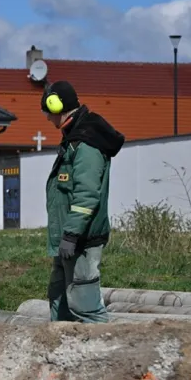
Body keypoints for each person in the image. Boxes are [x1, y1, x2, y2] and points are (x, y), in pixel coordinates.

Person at [41, 80, 125, 324]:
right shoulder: (73, 139)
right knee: (59, 299)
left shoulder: (86, 144)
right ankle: (60, 342)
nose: (47, 118)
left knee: (85, 307)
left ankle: (103, 344)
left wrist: (71, 234)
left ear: (56, 106)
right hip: (69, 239)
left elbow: (87, 195)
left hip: (81, 240)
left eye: (48, 111)